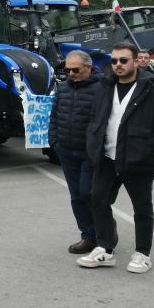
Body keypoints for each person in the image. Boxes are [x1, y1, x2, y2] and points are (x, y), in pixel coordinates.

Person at [77, 42, 154, 274]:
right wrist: (93, 145)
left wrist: (149, 145)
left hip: (137, 159)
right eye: (113, 61)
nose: (117, 65)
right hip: (107, 157)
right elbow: (95, 119)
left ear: (135, 62)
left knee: (142, 208)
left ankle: (143, 253)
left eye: (123, 60)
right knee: (97, 199)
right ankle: (105, 249)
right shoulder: (104, 88)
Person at [48, 50, 102, 254]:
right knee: (77, 197)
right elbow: (54, 115)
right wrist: (55, 142)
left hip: (90, 153)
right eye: (67, 70)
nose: (70, 74)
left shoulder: (102, 88)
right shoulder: (63, 88)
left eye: (75, 70)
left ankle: (104, 230)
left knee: (89, 193)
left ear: (88, 67)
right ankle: (88, 237)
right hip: (66, 151)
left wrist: (96, 149)